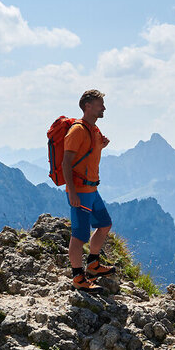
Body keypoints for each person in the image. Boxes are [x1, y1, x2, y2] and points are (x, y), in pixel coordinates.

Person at [63, 89, 114, 290]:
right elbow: (66, 163)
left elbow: (88, 154)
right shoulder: (77, 130)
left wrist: (101, 146)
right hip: (80, 191)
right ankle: (78, 277)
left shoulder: (94, 131)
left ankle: (93, 263)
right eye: (100, 104)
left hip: (92, 190)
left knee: (105, 224)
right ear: (88, 106)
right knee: (79, 236)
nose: (104, 108)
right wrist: (73, 192)